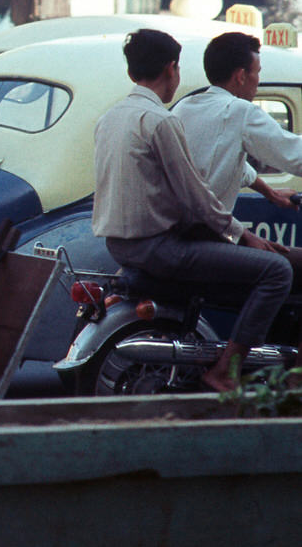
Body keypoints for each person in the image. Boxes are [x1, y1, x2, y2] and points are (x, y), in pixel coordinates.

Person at [93, 28, 292, 392]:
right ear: (172, 69)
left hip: (120, 245)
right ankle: (225, 371)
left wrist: (264, 188)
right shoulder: (163, 120)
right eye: (257, 73)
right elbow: (195, 194)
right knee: (278, 270)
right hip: (161, 246)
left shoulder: (117, 117)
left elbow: (209, 162)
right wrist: (243, 234)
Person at [173, 31, 302, 226]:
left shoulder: (185, 106)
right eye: (257, 72)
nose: (258, 80)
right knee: (278, 258)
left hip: (177, 231)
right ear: (241, 76)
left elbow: (229, 161)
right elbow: (294, 155)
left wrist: (271, 193)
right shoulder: (240, 111)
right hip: (205, 235)